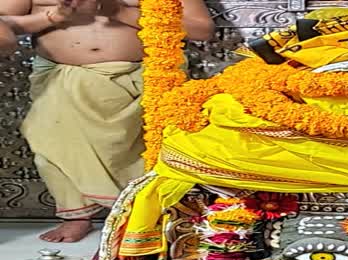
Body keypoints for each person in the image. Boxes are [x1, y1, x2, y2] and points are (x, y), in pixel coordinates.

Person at [0, 0, 215, 242]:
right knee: (52, 138)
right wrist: (53, 17)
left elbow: (201, 30)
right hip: (64, 78)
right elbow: (3, 26)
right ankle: (76, 215)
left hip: (145, 78)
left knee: (145, 148)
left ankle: (142, 212)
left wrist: (115, 11)